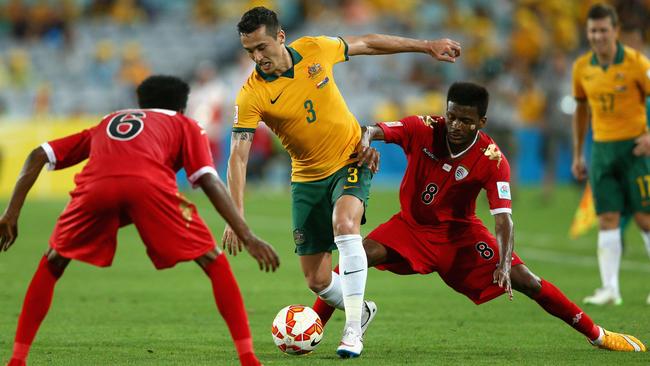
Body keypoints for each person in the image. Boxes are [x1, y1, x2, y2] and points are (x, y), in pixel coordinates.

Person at [312, 81, 646, 352]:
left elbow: (503, 219)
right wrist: (367, 141)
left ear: (481, 122)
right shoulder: (423, 128)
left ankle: (598, 335)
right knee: (354, 255)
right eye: (452, 116)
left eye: (466, 120)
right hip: (411, 228)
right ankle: (314, 326)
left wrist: (502, 262)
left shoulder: (491, 159)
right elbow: (369, 129)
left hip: (460, 237)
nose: (456, 126)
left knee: (527, 280)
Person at [222, 6, 461, 358]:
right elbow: (237, 157)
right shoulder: (251, 94)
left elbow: (368, 42)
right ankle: (361, 311)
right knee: (317, 281)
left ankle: (352, 331)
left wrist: (426, 46)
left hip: (352, 157)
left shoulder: (316, 49)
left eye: (261, 47)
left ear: (281, 37)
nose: (257, 57)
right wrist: (236, 216)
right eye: (249, 52)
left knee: (345, 225)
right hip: (306, 178)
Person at [0, 75, 280, 366]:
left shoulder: (109, 120)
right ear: (181, 108)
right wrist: (246, 235)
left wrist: (10, 213)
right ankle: (248, 358)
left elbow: (38, 154)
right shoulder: (185, 125)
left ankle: (18, 359)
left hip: (95, 189)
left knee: (53, 261)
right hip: (149, 188)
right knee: (214, 261)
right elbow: (208, 179)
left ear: (141, 104)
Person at [571, 3, 650, 306]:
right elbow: (580, 111)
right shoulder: (582, 68)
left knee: (645, 218)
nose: (598, 36)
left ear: (615, 31)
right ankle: (610, 289)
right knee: (607, 217)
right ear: (587, 32)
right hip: (601, 149)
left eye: (604, 30)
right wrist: (579, 154)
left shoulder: (637, 63)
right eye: (593, 30)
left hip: (635, 150)